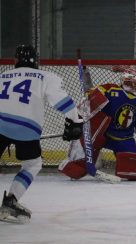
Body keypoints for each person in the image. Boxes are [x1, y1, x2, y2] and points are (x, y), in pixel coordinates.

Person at [0, 44, 82, 223]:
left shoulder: (2, 76)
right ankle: (10, 201)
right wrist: (75, 121)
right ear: (36, 61)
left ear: (15, 60)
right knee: (32, 164)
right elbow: (62, 102)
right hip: (27, 129)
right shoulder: (45, 76)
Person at [58, 66, 136, 181]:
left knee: (133, 171)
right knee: (78, 169)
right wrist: (82, 111)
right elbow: (91, 99)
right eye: (130, 83)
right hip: (99, 134)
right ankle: (74, 161)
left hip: (123, 138)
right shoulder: (109, 89)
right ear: (124, 81)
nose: (133, 86)